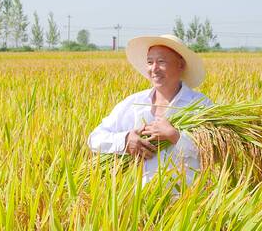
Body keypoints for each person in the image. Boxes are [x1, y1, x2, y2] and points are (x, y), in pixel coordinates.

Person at [87, 34, 212, 185]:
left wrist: (175, 137)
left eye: (161, 61)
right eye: (150, 62)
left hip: (187, 199)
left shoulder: (200, 105)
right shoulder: (133, 103)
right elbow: (95, 138)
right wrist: (126, 140)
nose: (154, 69)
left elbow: (215, 150)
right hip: (139, 200)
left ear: (181, 65)